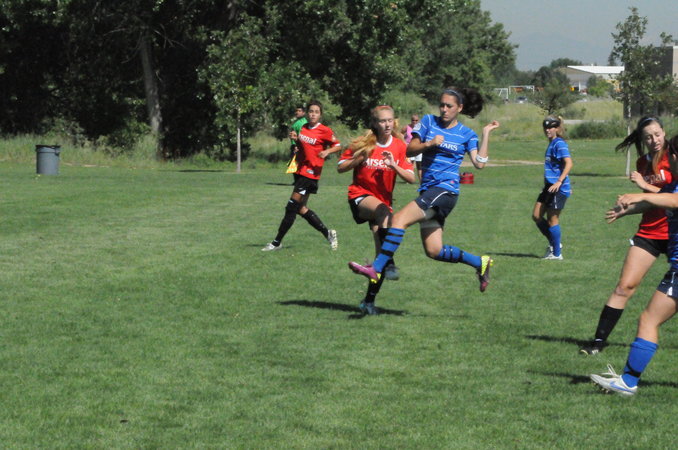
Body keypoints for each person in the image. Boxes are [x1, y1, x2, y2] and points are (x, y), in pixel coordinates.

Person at [347, 87, 500, 296]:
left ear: (459, 108)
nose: (444, 109)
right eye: (442, 105)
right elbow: (410, 150)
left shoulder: (467, 134)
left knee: (398, 219)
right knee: (434, 250)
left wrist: (486, 134)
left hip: (445, 190)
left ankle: (378, 267)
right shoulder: (428, 122)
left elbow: (479, 163)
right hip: (428, 191)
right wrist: (429, 143)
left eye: (449, 106)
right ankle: (479, 262)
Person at [590, 136, 678, 396]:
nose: (667, 159)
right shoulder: (673, 185)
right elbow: (660, 200)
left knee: (649, 320)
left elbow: (674, 201)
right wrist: (628, 209)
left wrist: (637, 192)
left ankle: (628, 382)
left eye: (669, 155)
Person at [580, 116, 672, 355]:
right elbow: (652, 203)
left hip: (675, 233)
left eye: (657, 134)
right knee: (624, 287)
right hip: (650, 231)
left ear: (664, 132)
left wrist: (643, 187)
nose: (654, 140)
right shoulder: (643, 162)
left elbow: (672, 196)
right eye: (648, 137)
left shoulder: (674, 157)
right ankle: (597, 343)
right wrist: (626, 211)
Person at [338, 105, 416, 315]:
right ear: (374, 123)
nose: (387, 124)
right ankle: (391, 264)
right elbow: (340, 167)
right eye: (382, 121)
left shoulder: (399, 146)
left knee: (380, 256)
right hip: (359, 197)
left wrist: (393, 166)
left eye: (390, 120)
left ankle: (368, 301)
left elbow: (411, 178)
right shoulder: (362, 143)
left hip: (383, 206)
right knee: (383, 212)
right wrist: (359, 158)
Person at [262, 100, 341, 251]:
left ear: (320, 114)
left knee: (291, 207)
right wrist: (296, 141)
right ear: (307, 113)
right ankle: (328, 234)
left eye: (316, 112)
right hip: (301, 170)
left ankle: (276, 243)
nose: (313, 114)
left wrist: (327, 151)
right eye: (311, 111)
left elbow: (338, 145)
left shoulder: (324, 130)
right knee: (301, 208)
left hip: (310, 174)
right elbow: (304, 147)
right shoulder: (304, 128)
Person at [532, 116, 573, 260]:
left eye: (550, 127)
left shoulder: (559, 143)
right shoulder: (552, 143)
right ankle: (556, 244)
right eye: (545, 128)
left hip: (558, 188)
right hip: (549, 187)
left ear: (557, 128)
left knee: (552, 219)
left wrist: (560, 182)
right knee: (536, 215)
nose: (547, 130)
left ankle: (556, 254)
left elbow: (569, 163)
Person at [402, 114, 422, 180]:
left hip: (418, 147)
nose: (415, 122)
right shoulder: (407, 127)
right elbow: (400, 134)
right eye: (413, 120)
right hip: (410, 148)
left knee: (419, 165)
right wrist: (404, 142)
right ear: (411, 120)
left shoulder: (421, 128)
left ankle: (421, 181)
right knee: (410, 164)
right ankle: (409, 179)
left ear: (418, 120)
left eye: (416, 120)